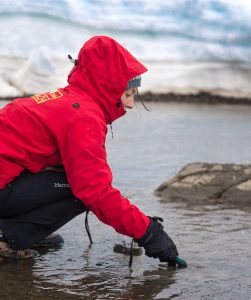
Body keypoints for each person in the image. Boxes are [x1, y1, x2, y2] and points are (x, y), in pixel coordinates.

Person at [0, 36, 180, 266]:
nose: (130, 104)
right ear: (109, 86)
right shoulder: (84, 115)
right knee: (83, 188)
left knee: (74, 175)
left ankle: (18, 228)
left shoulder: (67, 100)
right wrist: (150, 232)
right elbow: (95, 191)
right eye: (127, 94)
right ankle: (10, 235)